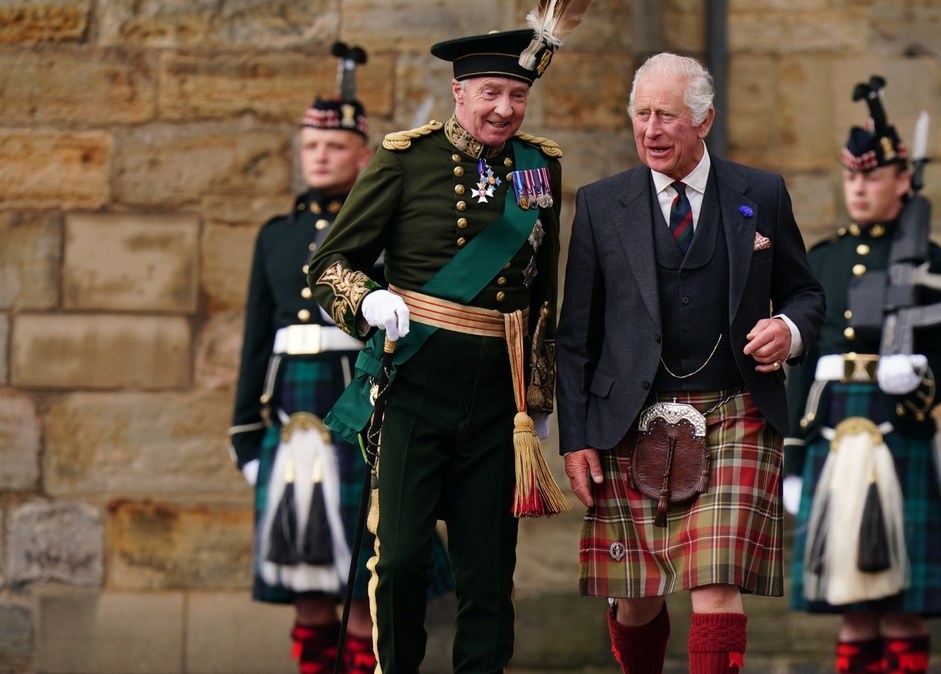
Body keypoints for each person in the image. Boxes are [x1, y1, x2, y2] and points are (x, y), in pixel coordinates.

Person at [305, 17, 579, 674]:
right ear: (458, 93)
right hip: (414, 389)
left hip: (495, 404)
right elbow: (330, 262)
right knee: (398, 559)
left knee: (488, 575)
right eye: (491, 93)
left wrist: (536, 401)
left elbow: (543, 292)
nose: (505, 109)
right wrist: (370, 300)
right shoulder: (408, 159)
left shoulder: (538, 169)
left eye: (517, 96)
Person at [556, 52, 825, 674]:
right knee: (638, 597)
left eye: (667, 116)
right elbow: (577, 336)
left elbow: (806, 293)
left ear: (703, 121)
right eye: (641, 114)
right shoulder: (601, 205)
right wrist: (578, 439)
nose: (650, 129)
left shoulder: (760, 193)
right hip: (629, 417)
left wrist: (788, 329)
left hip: (736, 408)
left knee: (716, 581)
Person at [228, 44, 453, 674]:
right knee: (306, 584)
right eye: (309, 147)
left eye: (331, 147)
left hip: (358, 412)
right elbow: (254, 341)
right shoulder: (274, 235)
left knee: (363, 583)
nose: (318, 156)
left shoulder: (385, 227)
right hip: (290, 421)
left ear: (362, 155)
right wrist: (247, 434)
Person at [781, 76, 941, 674]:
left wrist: (917, 377)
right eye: (852, 177)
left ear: (901, 180)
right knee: (850, 603)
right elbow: (798, 361)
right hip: (830, 425)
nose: (859, 188)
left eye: (873, 176)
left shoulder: (927, 257)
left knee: (904, 605)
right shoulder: (823, 257)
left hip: (898, 428)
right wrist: (791, 454)